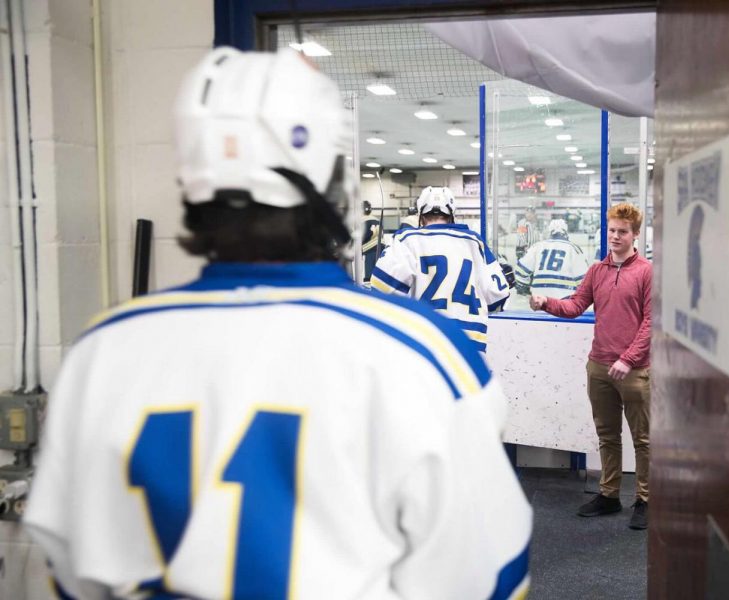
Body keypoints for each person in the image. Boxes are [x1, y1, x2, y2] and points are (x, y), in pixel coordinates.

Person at [24, 47, 531, 600]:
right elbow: (485, 579)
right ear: (337, 183)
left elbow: (71, 571)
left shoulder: (100, 353)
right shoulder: (424, 356)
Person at [530, 203, 652, 530]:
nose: (615, 236)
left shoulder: (646, 272)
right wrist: (547, 304)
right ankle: (610, 495)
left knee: (643, 438)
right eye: (612, 230)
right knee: (607, 435)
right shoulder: (597, 270)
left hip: (635, 371)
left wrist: (628, 359)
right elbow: (575, 305)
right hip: (599, 366)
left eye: (622, 232)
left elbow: (652, 323)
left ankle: (646, 499)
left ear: (635, 235)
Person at [370, 186, 509, 353]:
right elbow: (497, 297)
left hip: (426, 345)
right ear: (451, 216)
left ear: (421, 216)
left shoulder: (407, 240)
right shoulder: (474, 242)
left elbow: (381, 288)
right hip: (470, 347)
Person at [515, 219, 590, 300]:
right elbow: (584, 279)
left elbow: (520, 270)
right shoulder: (573, 249)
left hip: (539, 299)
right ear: (565, 231)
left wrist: (524, 286)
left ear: (550, 231)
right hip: (564, 298)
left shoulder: (538, 246)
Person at [360, 199, 380, 282]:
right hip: (380, 249)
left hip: (369, 250)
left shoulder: (362, 220)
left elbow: (362, 236)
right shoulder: (377, 219)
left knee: (368, 277)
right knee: (378, 276)